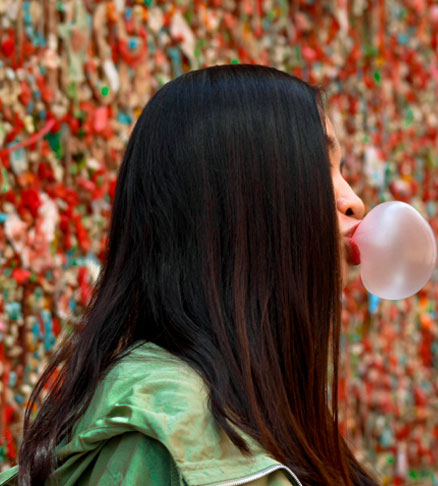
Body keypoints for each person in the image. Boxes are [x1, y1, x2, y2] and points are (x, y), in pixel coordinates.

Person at [0, 64, 378, 486]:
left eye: (342, 170)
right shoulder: (159, 438)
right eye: (320, 166)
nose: (354, 201)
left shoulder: (263, 415)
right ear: (242, 201)